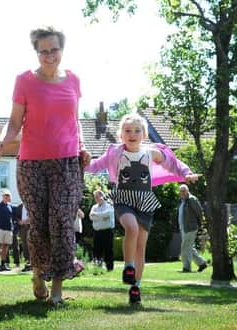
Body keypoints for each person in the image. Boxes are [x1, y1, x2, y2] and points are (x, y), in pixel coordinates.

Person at [0, 26, 90, 306]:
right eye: (43, 51)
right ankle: (38, 273)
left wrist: (82, 146)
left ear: (62, 49)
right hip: (32, 163)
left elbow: (75, 120)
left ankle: (57, 288)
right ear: (36, 52)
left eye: (54, 50)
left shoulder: (73, 80)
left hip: (67, 162)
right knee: (40, 224)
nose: (49, 56)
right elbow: (14, 122)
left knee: (62, 221)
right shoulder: (24, 81)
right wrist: (1, 140)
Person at [86, 113, 200, 304]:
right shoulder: (115, 153)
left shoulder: (150, 153)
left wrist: (186, 174)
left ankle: (136, 287)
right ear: (121, 135)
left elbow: (173, 163)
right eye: (128, 131)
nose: (132, 134)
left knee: (141, 247)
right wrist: (79, 164)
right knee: (132, 228)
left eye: (137, 131)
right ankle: (128, 267)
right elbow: (95, 165)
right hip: (123, 198)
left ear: (144, 135)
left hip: (145, 202)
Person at [178, 184, 207, 272]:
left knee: (185, 247)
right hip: (184, 227)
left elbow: (199, 212)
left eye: (184, 191)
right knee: (189, 247)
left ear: (187, 191)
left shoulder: (191, 199)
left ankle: (186, 267)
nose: (182, 193)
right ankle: (202, 263)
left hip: (191, 227)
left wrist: (200, 224)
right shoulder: (183, 201)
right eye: (181, 191)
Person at [89, 190, 115, 271]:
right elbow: (91, 217)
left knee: (108, 250)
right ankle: (98, 266)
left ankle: (109, 267)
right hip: (97, 232)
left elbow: (108, 214)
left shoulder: (109, 205)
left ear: (102, 196)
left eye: (97, 197)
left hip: (107, 231)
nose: (96, 199)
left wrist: (97, 216)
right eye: (95, 197)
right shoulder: (94, 207)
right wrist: (102, 216)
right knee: (97, 250)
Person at [0, 190, 14, 271]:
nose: (6, 197)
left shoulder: (10, 206)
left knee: (6, 246)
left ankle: (3, 263)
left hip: (8, 229)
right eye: (5, 196)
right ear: (2, 197)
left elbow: (12, 218)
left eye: (8, 196)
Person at [18, 203, 32, 272]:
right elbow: (16, 217)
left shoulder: (32, 204)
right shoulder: (19, 206)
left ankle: (33, 263)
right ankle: (27, 262)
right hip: (23, 228)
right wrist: (19, 221)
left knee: (31, 245)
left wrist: (30, 220)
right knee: (24, 245)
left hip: (31, 227)